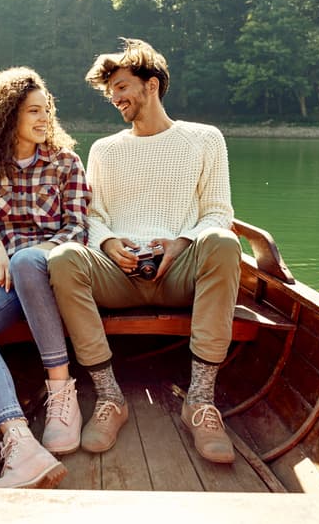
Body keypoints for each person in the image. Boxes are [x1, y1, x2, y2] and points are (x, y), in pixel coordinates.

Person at [47, 38, 241, 464]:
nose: (115, 98)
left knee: (224, 243)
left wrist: (181, 242)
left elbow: (218, 213)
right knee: (62, 259)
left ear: (151, 84)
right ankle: (109, 397)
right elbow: (91, 216)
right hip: (119, 275)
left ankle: (201, 401)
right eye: (111, 91)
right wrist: (110, 243)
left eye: (121, 87)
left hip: (180, 273)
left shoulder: (205, 139)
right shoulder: (104, 149)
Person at [0, 66, 90, 489]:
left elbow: (79, 228)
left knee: (29, 260)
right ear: (7, 115)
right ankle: (19, 441)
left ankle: (62, 392)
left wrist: (34, 253)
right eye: (34, 110)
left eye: (47, 109)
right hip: (7, 275)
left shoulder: (66, 162)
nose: (44, 118)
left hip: (54, 274)